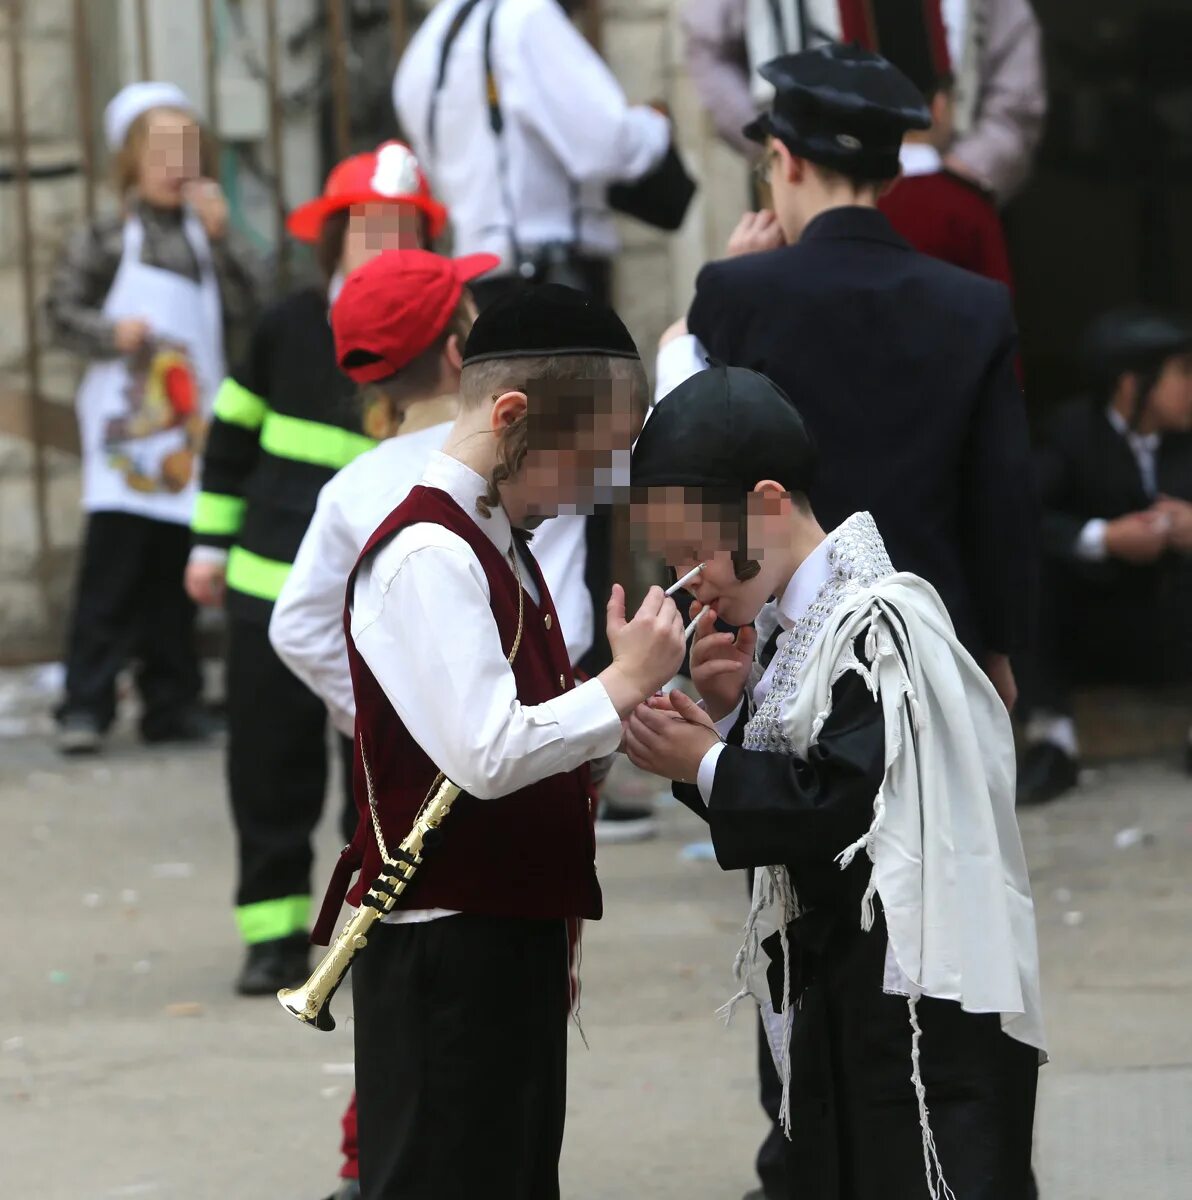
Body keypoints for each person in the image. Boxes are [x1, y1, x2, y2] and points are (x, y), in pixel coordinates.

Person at [625, 364, 1046, 1200]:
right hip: (847, 991)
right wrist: (724, 724)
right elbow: (799, 785)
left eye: (692, 551)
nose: (685, 582)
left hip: (912, 1006)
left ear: (769, 503)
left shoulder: (878, 622)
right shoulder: (800, 627)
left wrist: (705, 762)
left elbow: (841, 804)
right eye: (669, 561)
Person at [311, 285, 685, 1199]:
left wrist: (628, 723)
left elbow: (529, 739)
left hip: (498, 935)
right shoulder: (429, 554)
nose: (596, 493)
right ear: (512, 416)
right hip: (448, 952)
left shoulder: (497, 538)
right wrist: (619, 684)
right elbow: (484, 754)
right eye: (591, 461)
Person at [270, 247, 604, 1198]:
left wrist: (382, 718)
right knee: (459, 1104)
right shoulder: (497, 478)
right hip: (479, 849)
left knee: (459, 1110)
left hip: (452, 815)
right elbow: (558, 635)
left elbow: (297, 623)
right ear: (461, 346)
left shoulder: (362, 484)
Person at [687, 44, 1035, 704]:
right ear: (894, 174)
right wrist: (999, 645)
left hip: (787, 636)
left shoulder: (739, 291)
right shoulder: (975, 304)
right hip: (932, 630)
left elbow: (703, 465)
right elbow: (1002, 493)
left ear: (785, 162)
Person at [183, 141, 448, 996]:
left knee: (374, 767)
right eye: (368, 228)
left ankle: (362, 922)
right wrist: (207, 547)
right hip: (270, 584)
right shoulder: (287, 326)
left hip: (379, 595)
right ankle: (270, 931)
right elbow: (227, 442)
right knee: (267, 766)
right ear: (333, 238)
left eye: (404, 230)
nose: (385, 244)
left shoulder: (439, 339)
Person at [45, 81, 259, 755]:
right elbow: (59, 313)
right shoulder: (108, 238)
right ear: (130, 160)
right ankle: (86, 702)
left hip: (191, 435)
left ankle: (173, 701)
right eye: (160, 150)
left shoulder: (207, 241)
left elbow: (252, 309)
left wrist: (226, 242)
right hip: (128, 443)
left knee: (179, 575)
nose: (174, 163)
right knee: (113, 573)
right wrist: (111, 333)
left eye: (185, 149)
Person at [1018, 308, 1192, 804]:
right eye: (1182, 373)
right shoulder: (1072, 433)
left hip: (1175, 624)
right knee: (1030, 570)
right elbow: (1023, 516)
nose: (1190, 387)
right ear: (1132, 385)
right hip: (1097, 623)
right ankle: (1053, 741)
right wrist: (1104, 538)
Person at [392, 0, 672, 307]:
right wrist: (654, 125)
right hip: (550, 278)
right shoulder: (527, 16)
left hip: (477, 282)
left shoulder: (431, 39)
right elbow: (607, 146)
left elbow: (432, 167)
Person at [683, 0, 1047, 202]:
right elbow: (707, 47)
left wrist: (966, 172)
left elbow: (1017, 83)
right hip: (810, 194)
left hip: (948, 197)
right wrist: (776, 144)